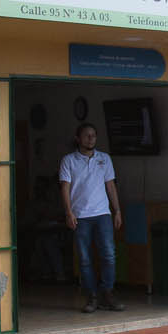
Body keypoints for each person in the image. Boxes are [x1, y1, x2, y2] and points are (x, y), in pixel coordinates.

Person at [59, 122, 125, 313]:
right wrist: (68, 212)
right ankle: (92, 296)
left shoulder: (104, 159)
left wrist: (117, 210)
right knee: (85, 259)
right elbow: (65, 188)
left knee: (109, 255)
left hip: (103, 214)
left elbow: (110, 186)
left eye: (93, 135)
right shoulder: (68, 160)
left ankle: (107, 293)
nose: (90, 139)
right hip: (80, 216)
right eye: (87, 135)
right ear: (77, 138)